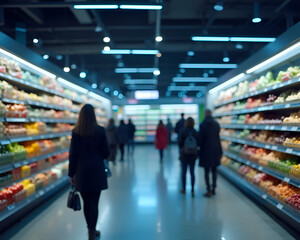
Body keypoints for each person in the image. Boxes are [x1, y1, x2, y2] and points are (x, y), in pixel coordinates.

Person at [68, 104, 110, 240]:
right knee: (94, 202)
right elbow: (106, 153)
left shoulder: (76, 132)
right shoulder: (100, 131)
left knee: (86, 203)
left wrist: (71, 174)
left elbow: (73, 155)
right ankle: (93, 230)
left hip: (82, 172)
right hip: (97, 171)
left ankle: (90, 230)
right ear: (93, 116)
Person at [198, 109, 222, 197]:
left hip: (205, 151)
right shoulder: (216, 124)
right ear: (211, 114)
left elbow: (200, 140)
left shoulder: (202, 125)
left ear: (205, 114)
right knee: (214, 170)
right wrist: (220, 151)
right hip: (215, 150)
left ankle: (208, 189)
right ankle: (214, 188)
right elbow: (218, 138)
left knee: (206, 171)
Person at [178, 117, 198, 197]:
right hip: (193, 155)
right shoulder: (195, 131)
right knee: (192, 172)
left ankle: (184, 189)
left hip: (184, 155)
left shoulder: (182, 131)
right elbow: (199, 142)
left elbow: (179, 143)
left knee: (184, 172)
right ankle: (192, 190)